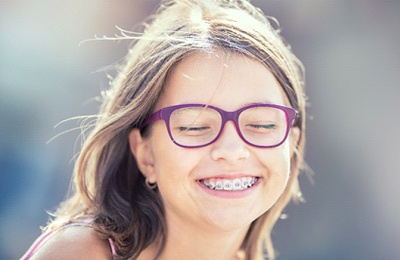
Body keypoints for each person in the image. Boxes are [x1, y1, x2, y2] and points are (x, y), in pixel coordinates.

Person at [22, 0, 307, 259]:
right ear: (145, 155)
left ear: (291, 146)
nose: (232, 151)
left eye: (261, 124)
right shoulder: (83, 253)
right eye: (194, 127)